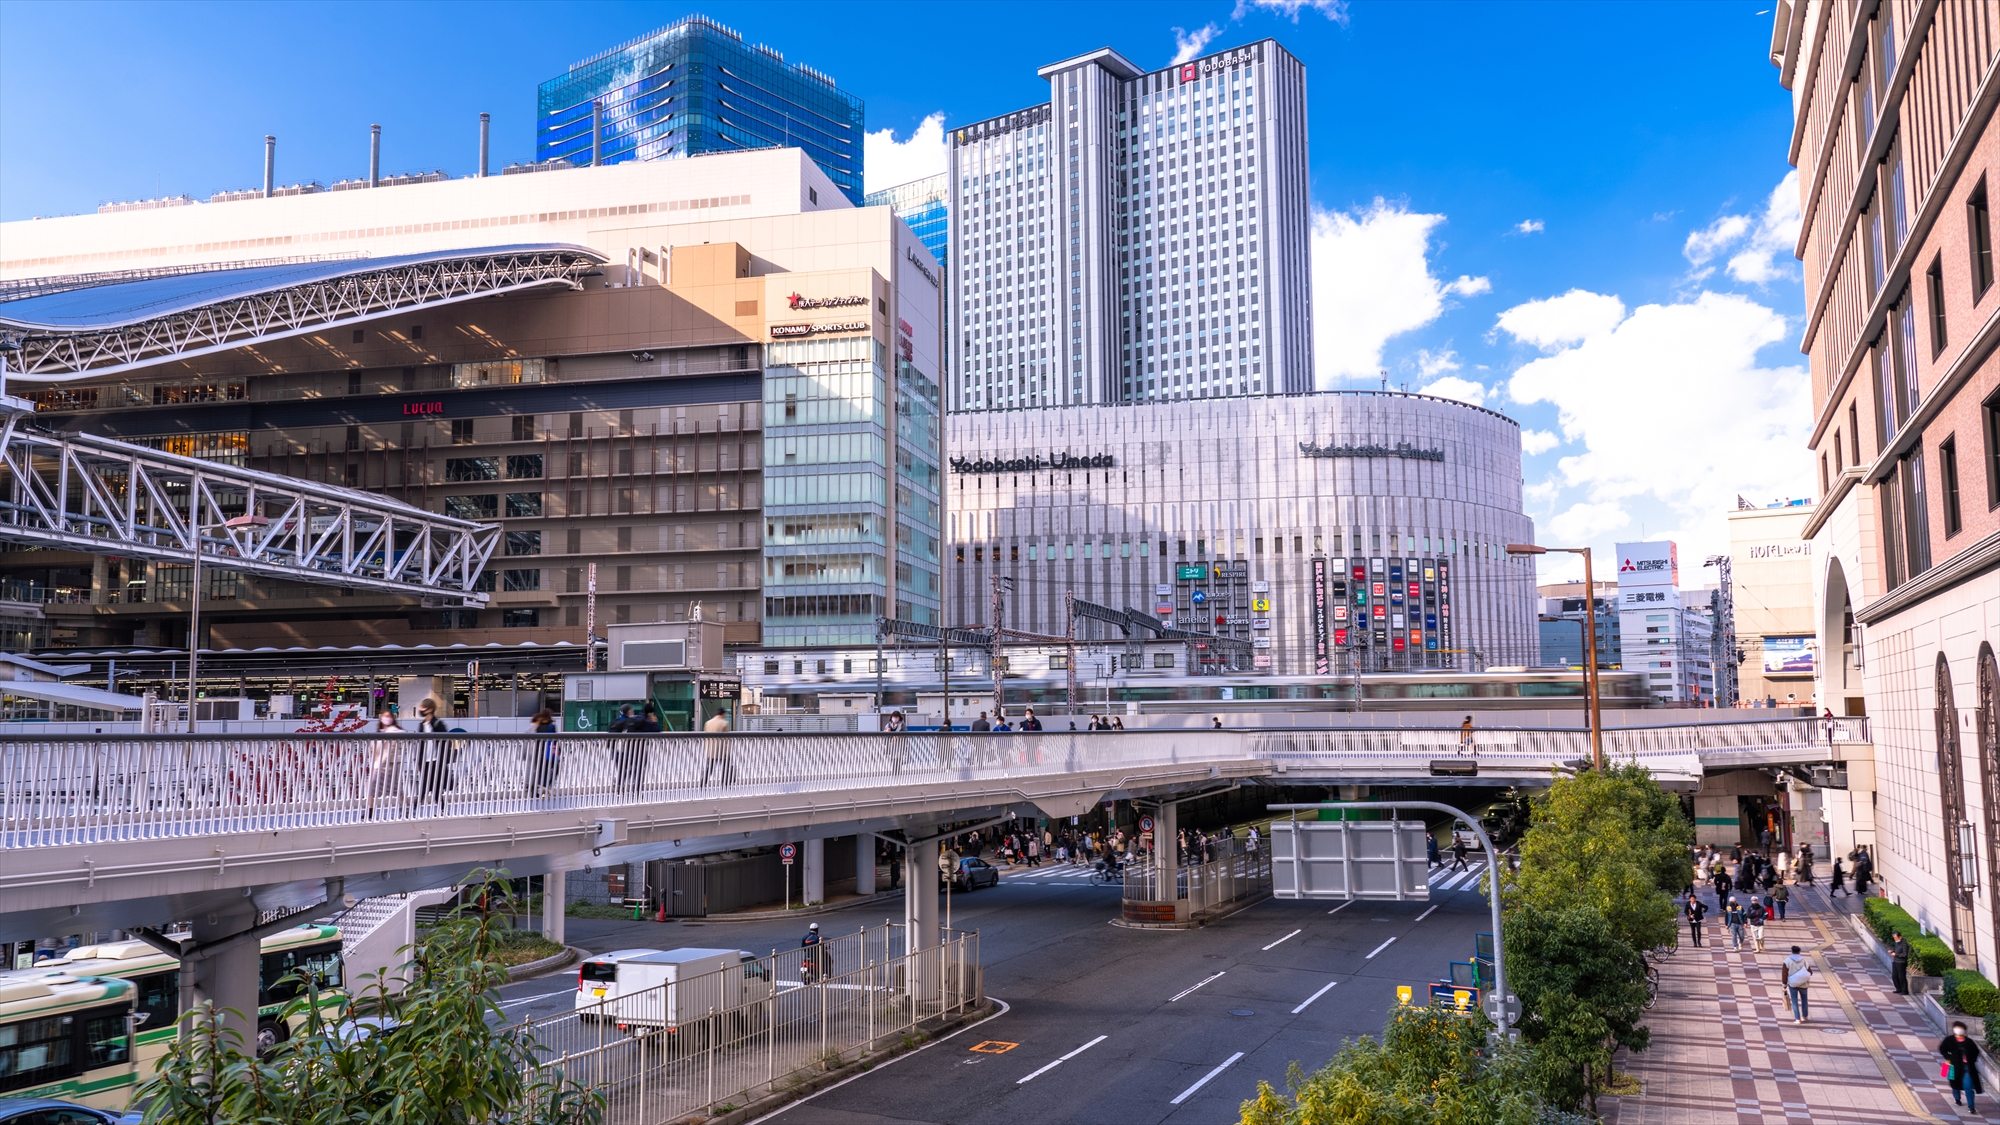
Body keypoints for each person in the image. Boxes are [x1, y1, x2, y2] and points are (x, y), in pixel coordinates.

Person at [411, 698, 454, 814]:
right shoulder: (421, 725)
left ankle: (414, 810)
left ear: (430, 709)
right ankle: (441, 809)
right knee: (427, 786)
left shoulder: (438, 724)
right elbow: (420, 745)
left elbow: (446, 742)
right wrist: (419, 761)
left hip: (436, 760)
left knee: (432, 786)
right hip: (425, 760)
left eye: (423, 707)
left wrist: (444, 759)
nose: (421, 710)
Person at [1942, 1022, 1985, 1112]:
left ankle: (1971, 1106)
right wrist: (1949, 1058)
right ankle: (1957, 1099)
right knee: (1955, 1085)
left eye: (1961, 1028)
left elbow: (1976, 1052)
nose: (1959, 1030)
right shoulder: (1949, 1040)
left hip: (1967, 1067)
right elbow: (1942, 1049)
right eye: (1957, 1028)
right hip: (1954, 1066)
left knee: (1968, 1086)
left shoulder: (1969, 1042)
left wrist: (1971, 1060)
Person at [528, 708, 560, 796]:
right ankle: (545, 788)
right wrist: (558, 750)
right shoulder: (551, 726)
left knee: (540, 771)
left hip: (539, 752)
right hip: (549, 752)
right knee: (555, 769)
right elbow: (554, 740)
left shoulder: (538, 726)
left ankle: (534, 790)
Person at [700, 708, 733, 787]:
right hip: (722, 750)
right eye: (725, 714)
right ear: (722, 714)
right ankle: (724, 784)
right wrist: (728, 751)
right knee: (726, 768)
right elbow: (726, 739)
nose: (725, 716)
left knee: (709, 768)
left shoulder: (708, 723)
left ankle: (703, 783)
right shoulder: (725, 723)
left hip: (711, 750)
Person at [1782, 945, 1813, 1023]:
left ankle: (1797, 1018)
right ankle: (1804, 1016)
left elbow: (1784, 974)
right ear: (1799, 952)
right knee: (1804, 1000)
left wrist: (1784, 984)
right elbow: (1810, 972)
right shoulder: (1804, 961)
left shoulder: (1787, 961)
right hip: (1803, 984)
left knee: (1794, 1000)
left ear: (1792, 951)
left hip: (1793, 984)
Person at [1889, 930, 1912, 995]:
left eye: (1896, 938)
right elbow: (1896, 950)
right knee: (1894, 976)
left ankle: (1904, 990)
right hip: (1895, 961)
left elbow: (1905, 954)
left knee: (1901, 977)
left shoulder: (1904, 944)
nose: (1895, 939)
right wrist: (1892, 951)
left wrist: (1896, 955)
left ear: (1900, 937)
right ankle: (1898, 989)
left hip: (1901, 963)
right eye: (1894, 938)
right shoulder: (1897, 943)